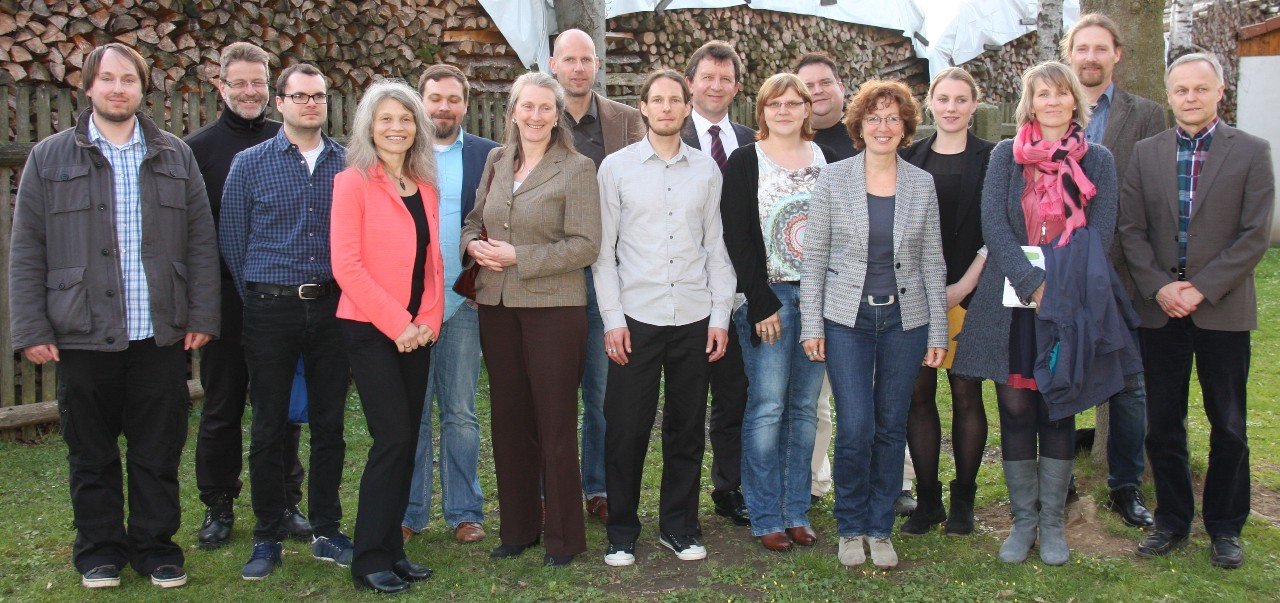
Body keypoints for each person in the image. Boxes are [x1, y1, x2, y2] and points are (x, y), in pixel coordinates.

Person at [9, 42, 219, 589]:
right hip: (80, 334)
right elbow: (26, 247)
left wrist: (201, 313)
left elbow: (200, 242)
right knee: (90, 452)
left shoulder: (175, 155)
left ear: (142, 88)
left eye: (129, 79)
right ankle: (99, 552)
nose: (118, 88)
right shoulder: (49, 158)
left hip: (159, 332)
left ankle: (156, 549)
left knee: (157, 449)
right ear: (88, 87)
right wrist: (31, 327)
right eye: (107, 80)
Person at [952, 62, 1120, 567]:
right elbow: (994, 224)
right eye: (1041, 94)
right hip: (1011, 304)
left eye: (1061, 93)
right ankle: (1023, 522)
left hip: (1069, 302)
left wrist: (1059, 291)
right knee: (1017, 410)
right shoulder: (1006, 155)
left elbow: (1102, 231)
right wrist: (1031, 283)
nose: (1051, 102)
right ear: (1030, 102)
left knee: (1059, 407)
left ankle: (1053, 524)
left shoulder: (1100, 160)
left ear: (1075, 101)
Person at [1121, 53, 1274, 570]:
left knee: (1228, 423)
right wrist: (1161, 287)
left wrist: (1200, 289)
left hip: (1223, 311)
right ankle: (1171, 520)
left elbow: (1254, 235)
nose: (1190, 97)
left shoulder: (1252, 152)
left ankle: (1226, 526)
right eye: (1181, 89)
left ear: (1219, 91)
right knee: (1163, 421)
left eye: (1200, 89)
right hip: (1160, 310)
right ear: (1169, 94)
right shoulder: (1146, 153)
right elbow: (1131, 231)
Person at [800, 79, 948, 570]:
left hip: (906, 320)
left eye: (892, 118)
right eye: (873, 118)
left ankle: (880, 528)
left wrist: (937, 331)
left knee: (890, 425)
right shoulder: (834, 179)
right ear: (859, 125)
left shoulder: (920, 183)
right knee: (857, 424)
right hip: (847, 319)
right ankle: (850, 524)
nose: (883, 126)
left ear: (905, 127)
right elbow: (815, 256)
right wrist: (810, 325)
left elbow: (932, 261)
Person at [594, 69, 735, 567]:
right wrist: (613, 319)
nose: (668, 108)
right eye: (658, 100)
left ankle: (679, 525)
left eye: (676, 99)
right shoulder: (615, 168)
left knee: (687, 428)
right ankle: (622, 530)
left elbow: (717, 246)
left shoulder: (707, 171)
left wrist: (720, 315)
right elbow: (603, 253)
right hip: (636, 317)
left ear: (685, 105)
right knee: (626, 428)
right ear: (644, 109)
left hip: (695, 316)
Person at [460, 72, 601, 567]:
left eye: (546, 108)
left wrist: (521, 255)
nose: (536, 116)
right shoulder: (498, 161)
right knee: (510, 420)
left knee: (556, 422)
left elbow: (586, 244)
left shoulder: (578, 168)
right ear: (513, 110)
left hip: (553, 310)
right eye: (528, 107)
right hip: (497, 308)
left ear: (557, 114)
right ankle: (518, 529)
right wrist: (472, 245)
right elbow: (475, 219)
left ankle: (565, 537)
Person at [220, 63, 353, 580]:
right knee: (270, 425)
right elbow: (233, 241)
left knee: (330, 424)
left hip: (331, 307)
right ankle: (268, 534)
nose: (310, 105)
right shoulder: (249, 164)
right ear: (280, 102)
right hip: (269, 307)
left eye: (318, 96)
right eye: (299, 96)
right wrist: (259, 296)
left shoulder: (349, 163)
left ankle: (326, 528)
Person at [184, 41, 312, 550]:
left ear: (272, 88)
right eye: (238, 82)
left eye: (258, 82)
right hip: (226, 302)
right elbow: (194, 236)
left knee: (280, 405)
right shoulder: (198, 150)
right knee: (222, 406)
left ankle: (284, 500)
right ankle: (218, 505)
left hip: (280, 302)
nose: (249, 91)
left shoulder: (292, 141)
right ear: (221, 86)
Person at [331, 79, 443, 593]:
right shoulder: (352, 181)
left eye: (405, 118)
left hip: (417, 332)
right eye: (386, 119)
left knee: (407, 440)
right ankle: (368, 556)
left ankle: (393, 552)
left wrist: (426, 322)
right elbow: (347, 266)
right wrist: (398, 325)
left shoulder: (424, 183)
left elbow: (433, 264)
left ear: (417, 126)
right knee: (392, 438)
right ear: (368, 127)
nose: (396, 127)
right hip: (369, 328)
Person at [721, 73, 838, 552]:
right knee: (767, 408)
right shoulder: (746, 159)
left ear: (807, 110)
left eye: (794, 103)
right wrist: (760, 301)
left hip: (817, 300)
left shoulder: (823, 160)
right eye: (776, 104)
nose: (785, 111)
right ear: (762, 110)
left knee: (804, 409)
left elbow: (831, 231)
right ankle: (765, 513)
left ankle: (796, 510)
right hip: (767, 299)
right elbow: (737, 234)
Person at [1063, 12, 1167, 528]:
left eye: (1100, 48)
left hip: (1122, 271)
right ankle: (1056, 483)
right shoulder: (1049, 111)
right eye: (1082, 48)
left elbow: (1152, 195)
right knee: (1055, 375)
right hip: (1059, 272)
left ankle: (1125, 486)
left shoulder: (1147, 115)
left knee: (1130, 384)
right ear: (1069, 54)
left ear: (1117, 54)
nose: (1090, 57)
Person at [548, 29, 646, 524]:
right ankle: (556, 490)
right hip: (555, 276)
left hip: (612, 275)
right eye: (570, 59)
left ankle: (600, 486)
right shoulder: (540, 115)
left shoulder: (627, 122)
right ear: (553, 65)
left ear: (597, 65)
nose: (580, 68)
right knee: (555, 390)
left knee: (605, 392)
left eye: (587, 59)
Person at [402, 64, 500, 545]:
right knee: (412, 412)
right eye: (435, 98)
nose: (443, 107)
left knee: (460, 411)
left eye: (453, 99)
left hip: (463, 305)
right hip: (407, 308)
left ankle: (465, 511)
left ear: (466, 103)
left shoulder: (488, 155)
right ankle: (410, 511)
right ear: (421, 101)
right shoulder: (398, 153)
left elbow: (496, 223)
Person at [899, 67, 995, 536]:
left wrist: (963, 284)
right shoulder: (911, 156)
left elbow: (999, 227)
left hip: (970, 292)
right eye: (944, 99)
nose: (952, 107)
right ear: (930, 103)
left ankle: (964, 499)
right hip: (914, 294)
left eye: (961, 99)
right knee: (917, 395)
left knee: (964, 392)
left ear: (974, 105)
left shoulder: (993, 158)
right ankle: (929, 499)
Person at [679, 40, 753, 527]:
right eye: (707, 76)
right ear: (691, 82)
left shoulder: (752, 140)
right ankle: (678, 497)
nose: (715, 86)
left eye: (725, 79)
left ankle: (730, 487)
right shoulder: (668, 134)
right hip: (682, 288)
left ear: (737, 87)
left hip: (742, 289)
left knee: (736, 393)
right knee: (683, 400)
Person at [795, 52, 856, 160]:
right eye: (808, 86)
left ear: (841, 88)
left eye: (825, 82)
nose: (818, 91)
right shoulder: (788, 142)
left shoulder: (868, 133)